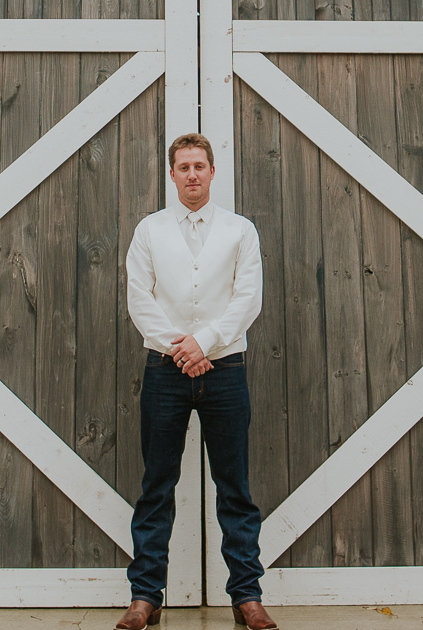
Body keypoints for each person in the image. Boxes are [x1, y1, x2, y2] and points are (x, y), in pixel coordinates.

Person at [117, 133, 276, 630]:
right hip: (164, 371)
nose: (191, 174)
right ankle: (145, 596)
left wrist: (203, 344)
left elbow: (247, 298)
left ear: (212, 172)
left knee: (235, 487)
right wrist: (180, 347)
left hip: (225, 370)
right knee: (156, 486)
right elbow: (139, 298)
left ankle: (246, 596)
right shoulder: (149, 230)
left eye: (199, 166)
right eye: (182, 166)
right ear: (172, 174)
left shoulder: (239, 230)